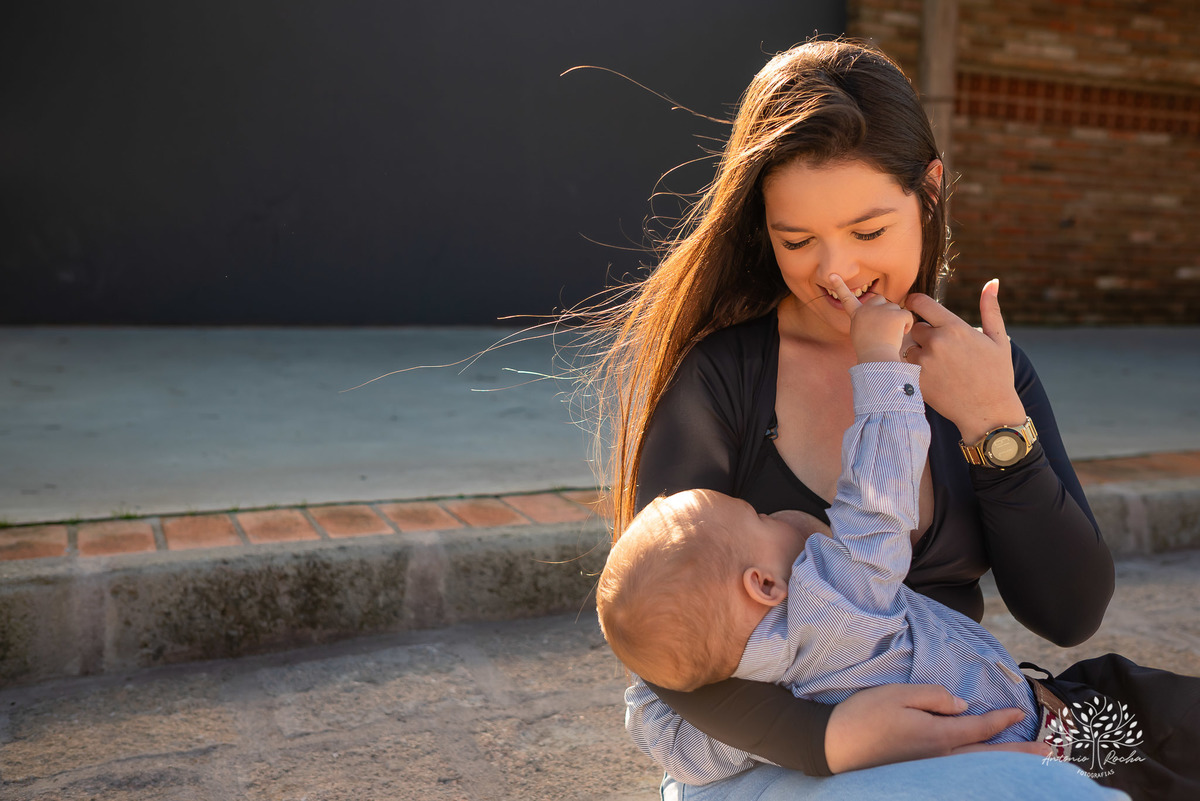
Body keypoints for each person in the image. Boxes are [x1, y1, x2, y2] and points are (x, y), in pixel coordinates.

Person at [585, 38, 1123, 799]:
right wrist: (831, 738)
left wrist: (993, 424)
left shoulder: (980, 370)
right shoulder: (722, 380)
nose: (834, 271)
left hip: (972, 721)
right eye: (797, 240)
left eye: (868, 232)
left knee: (1161, 735)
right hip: (782, 760)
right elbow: (661, 647)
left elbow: (1069, 613)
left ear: (929, 190)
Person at [597, 283, 1200, 799]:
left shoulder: (709, 706)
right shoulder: (835, 589)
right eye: (757, 516)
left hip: (1024, 725)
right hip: (1022, 734)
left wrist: (992, 418)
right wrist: (882, 366)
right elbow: (879, 492)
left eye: (868, 232)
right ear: (763, 584)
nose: (774, 512)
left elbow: (658, 705)